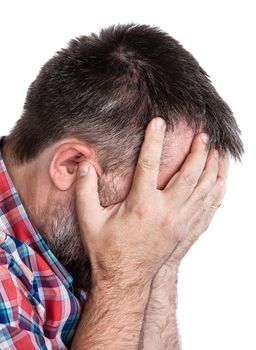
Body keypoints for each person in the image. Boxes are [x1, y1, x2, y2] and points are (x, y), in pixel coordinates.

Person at [0, 23, 243, 349]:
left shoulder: (86, 246)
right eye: (151, 195)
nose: (160, 220)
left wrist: (161, 263)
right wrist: (124, 277)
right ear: (72, 166)